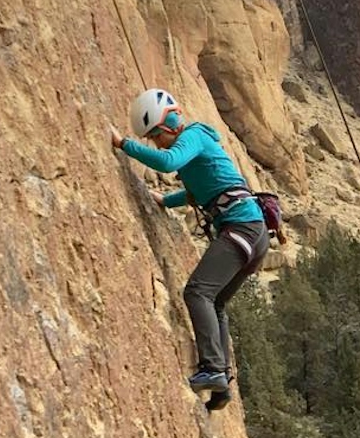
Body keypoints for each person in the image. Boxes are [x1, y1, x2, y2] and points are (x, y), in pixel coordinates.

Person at [110, 87, 268, 407]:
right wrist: (166, 201)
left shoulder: (193, 136)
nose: (156, 143)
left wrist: (124, 144)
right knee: (216, 303)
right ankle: (222, 383)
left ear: (167, 125)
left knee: (197, 292)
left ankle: (212, 369)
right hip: (253, 232)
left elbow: (169, 163)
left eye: (155, 136)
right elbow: (199, 191)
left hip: (242, 228)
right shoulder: (197, 145)